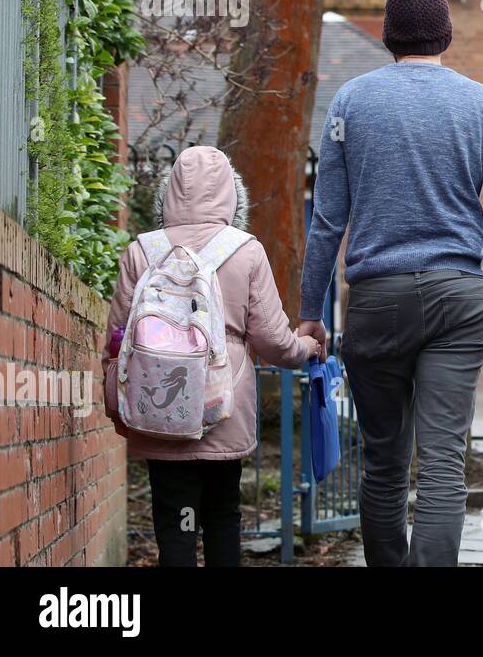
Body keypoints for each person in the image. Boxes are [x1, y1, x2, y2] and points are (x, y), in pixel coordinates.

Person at [300, 0, 483, 567]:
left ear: (388, 37)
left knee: (383, 461)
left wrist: (308, 314)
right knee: (441, 464)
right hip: (459, 300)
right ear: (445, 37)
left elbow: (327, 221)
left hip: (376, 300)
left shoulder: (351, 101)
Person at [102, 146, 321, 566]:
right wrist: (307, 347)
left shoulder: (142, 251)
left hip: (158, 409)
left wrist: (119, 403)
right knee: (223, 515)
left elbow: (115, 340)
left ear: (169, 194)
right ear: (232, 195)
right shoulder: (246, 250)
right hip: (222, 406)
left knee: (176, 520)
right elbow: (275, 343)